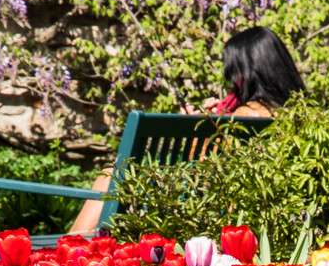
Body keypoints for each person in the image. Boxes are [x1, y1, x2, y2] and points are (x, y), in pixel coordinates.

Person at [69, 26, 302, 235]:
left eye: (236, 75)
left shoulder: (244, 117)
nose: (234, 82)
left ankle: (69, 252)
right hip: (265, 217)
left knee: (110, 175)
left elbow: (201, 174)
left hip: (202, 215)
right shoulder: (295, 115)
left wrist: (195, 128)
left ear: (250, 74)